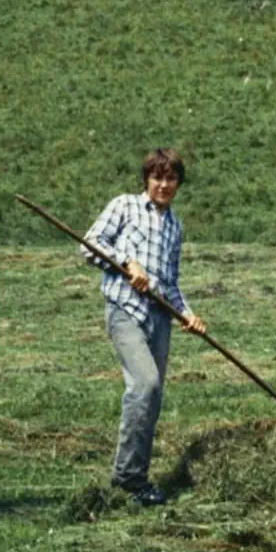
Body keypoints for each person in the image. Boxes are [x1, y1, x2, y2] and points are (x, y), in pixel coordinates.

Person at [81, 148, 206, 506]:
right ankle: (127, 478)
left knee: (152, 397)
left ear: (178, 184)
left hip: (160, 317)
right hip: (125, 309)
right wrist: (128, 263)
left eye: (170, 179)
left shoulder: (175, 226)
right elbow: (90, 244)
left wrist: (188, 314)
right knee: (145, 384)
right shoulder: (125, 206)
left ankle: (138, 478)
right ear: (146, 179)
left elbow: (171, 282)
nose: (163, 185)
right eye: (157, 178)